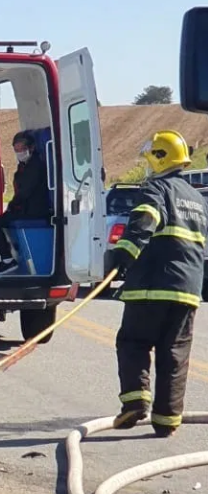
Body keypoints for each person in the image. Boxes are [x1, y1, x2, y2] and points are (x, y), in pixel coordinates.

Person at [107, 129, 208, 437]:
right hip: (187, 290)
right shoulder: (196, 198)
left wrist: (122, 256)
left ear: (160, 157)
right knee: (174, 354)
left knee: (133, 343)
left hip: (152, 283)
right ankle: (166, 421)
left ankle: (136, 402)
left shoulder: (156, 188)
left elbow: (145, 221)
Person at [0, 130, 50, 273]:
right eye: (16, 149)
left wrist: (12, 205)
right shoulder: (25, 165)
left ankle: (8, 260)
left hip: (33, 211)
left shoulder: (35, 166)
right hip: (27, 208)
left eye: (22, 148)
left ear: (31, 148)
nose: (19, 152)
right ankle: (7, 259)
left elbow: (25, 191)